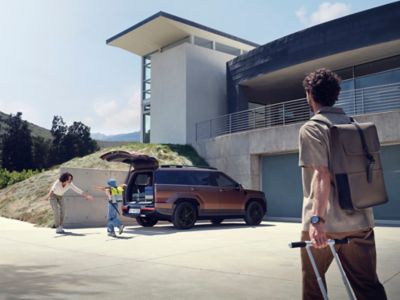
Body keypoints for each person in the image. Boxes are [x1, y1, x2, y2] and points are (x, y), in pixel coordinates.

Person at [298, 68, 387, 300]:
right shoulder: (354, 125)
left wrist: (317, 220)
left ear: (310, 94)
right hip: (360, 221)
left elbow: (321, 174)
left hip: (323, 226)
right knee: (368, 287)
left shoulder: (312, 128)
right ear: (335, 95)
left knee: (314, 288)